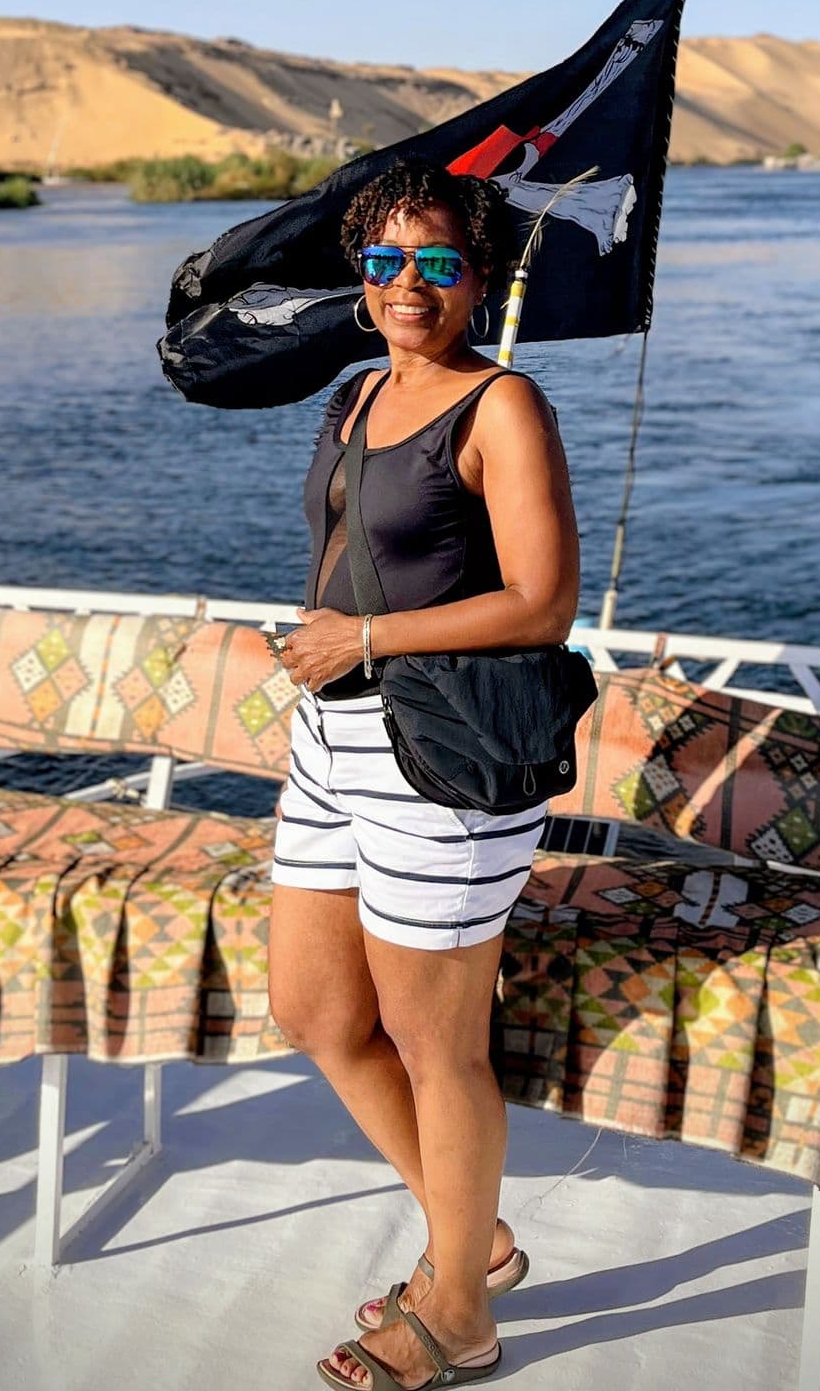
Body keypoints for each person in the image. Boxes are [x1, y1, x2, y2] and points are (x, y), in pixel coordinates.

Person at [267, 158, 581, 1391]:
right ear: (362, 273)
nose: (409, 282)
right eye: (386, 259)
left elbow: (542, 602)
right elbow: (357, 549)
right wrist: (326, 640)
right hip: (330, 739)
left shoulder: (503, 405)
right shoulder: (355, 393)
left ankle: (460, 1307)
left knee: (432, 1042)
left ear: (477, 278)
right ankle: (475, 1237)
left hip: (443, 754)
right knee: (315, 1011)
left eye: (437, 261)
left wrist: (367, 635)